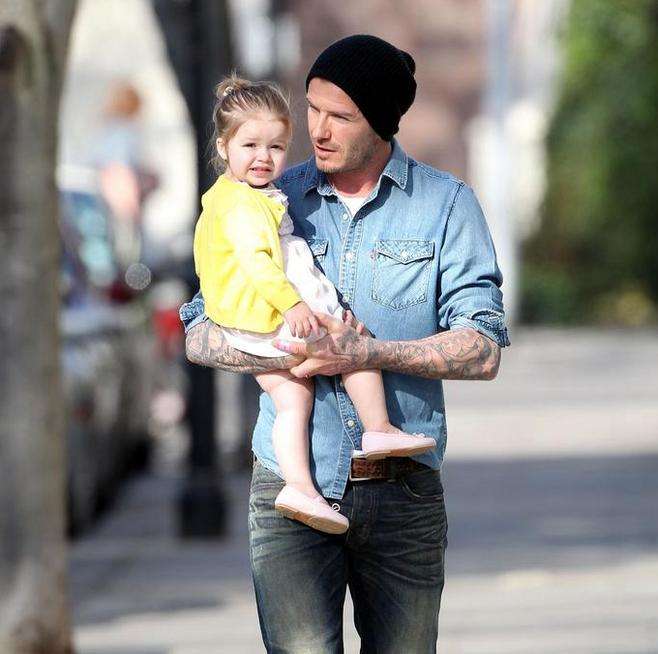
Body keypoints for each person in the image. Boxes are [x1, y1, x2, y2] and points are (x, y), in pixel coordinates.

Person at [180, 34, 510, 654]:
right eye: (312, 108)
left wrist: (368, 354)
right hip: (290, 489)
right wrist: (280, 355)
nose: (318, 130)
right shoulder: (268, 198)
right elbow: (198, 331)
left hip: (403, 492)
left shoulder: (446, 206)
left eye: (341, 116)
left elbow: (484, 347)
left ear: (381, 122)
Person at [194, 74, 436, 534]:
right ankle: (378, 427)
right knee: (351, 342)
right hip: (267, 315)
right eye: (250, 146)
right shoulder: (242, 206)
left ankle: (298, 487)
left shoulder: (230, 197)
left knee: (292, 398)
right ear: (223, 147)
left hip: (243, 322)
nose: (264, 158)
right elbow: (257, 263)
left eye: (276, 147)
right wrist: (293, 306)